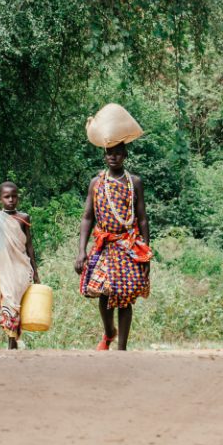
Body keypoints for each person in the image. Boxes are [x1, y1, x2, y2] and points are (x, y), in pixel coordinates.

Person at [74, 142, 151, 351]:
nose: (113, 157)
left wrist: (146, 253)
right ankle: (109, 332)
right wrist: (81, 251)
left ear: (125, 155)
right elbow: (88, 217)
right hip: (104, 244)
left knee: (125, 296)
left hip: (128, 244)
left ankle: (122, 349)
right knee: (104, 291)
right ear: (104, 155)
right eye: (109, 153)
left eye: (118, 154)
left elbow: (142, 219)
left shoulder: (134, 182)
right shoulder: (96, 183)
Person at [0, 182, 39, 350]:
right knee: (8, 304)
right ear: (1, 198)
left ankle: (12, 342)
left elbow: (29, 247)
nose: (11, 200)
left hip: (20, 270)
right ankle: (12, 342)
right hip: (3, 270)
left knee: (13, 304)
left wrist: (36, 273)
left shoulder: (23, 218)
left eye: (14, 196)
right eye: (7, 197)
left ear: (18, 197)